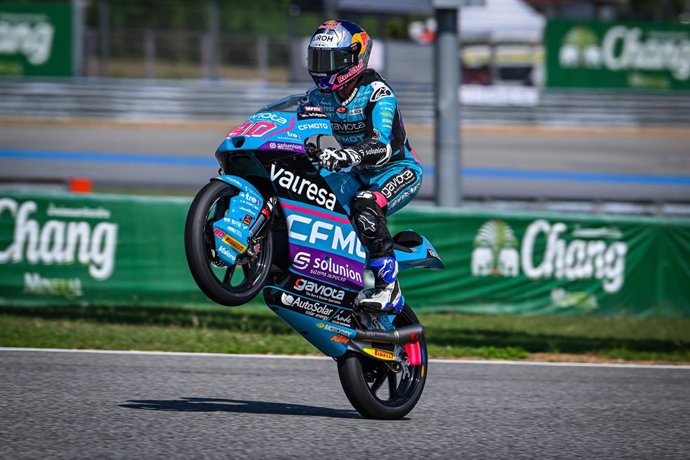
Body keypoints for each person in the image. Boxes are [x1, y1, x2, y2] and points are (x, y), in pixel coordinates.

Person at [305, 19, 423, 314]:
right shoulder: (318, 97)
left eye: (331, 60)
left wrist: (346, 156)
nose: (323, 67)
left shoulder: (378, 93)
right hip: (356, 172)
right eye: (318, 59)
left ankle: (388, 289)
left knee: (365, 204)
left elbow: (381, 145)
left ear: (354, 59)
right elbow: (301, 132)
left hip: (397, 170)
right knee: (308, 190)